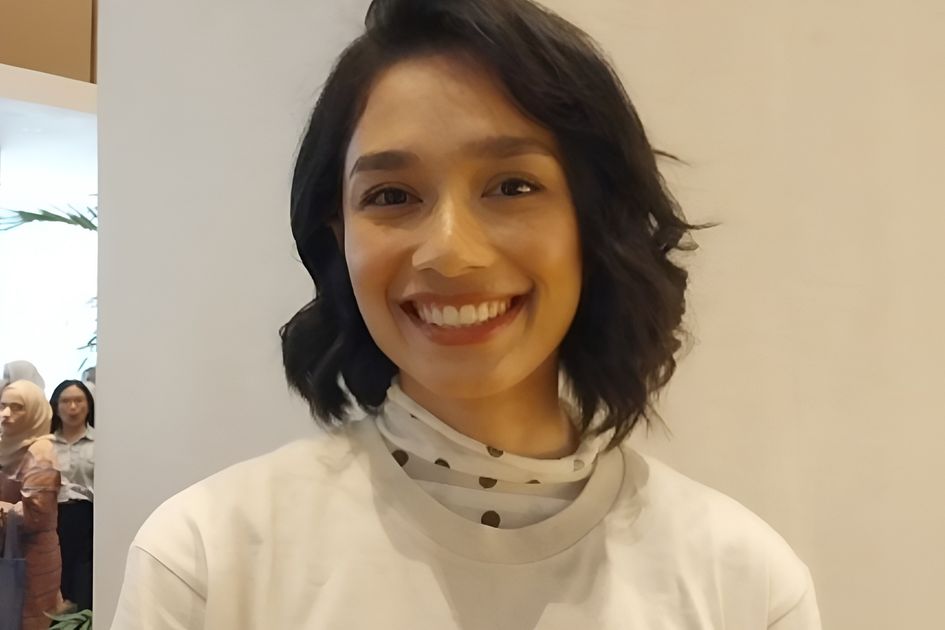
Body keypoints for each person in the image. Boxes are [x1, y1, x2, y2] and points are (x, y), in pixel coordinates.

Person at [111, 1, 822, 628]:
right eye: (392, 196)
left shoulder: (743, 583)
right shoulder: (207, 558)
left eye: (512, 186)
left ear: (593, 220)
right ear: (338, 236)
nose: (450, 253)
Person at [0, 380, 62, 630]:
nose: (6, 413)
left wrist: (2, 509)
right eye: (3, 406)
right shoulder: (11, 445)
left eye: (17, 407)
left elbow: (36, 516)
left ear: (35, 411)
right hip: (11, 549)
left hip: (31, 558)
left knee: (27, 619)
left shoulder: (41, 453)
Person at [50, 379, 95, 612]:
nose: (73, 407)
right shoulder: (44, 443)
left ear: (89, 405)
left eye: (79, 400)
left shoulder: (101, 443)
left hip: (89, 519)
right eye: (66, 401)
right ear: (56, 406)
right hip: (51, 517)